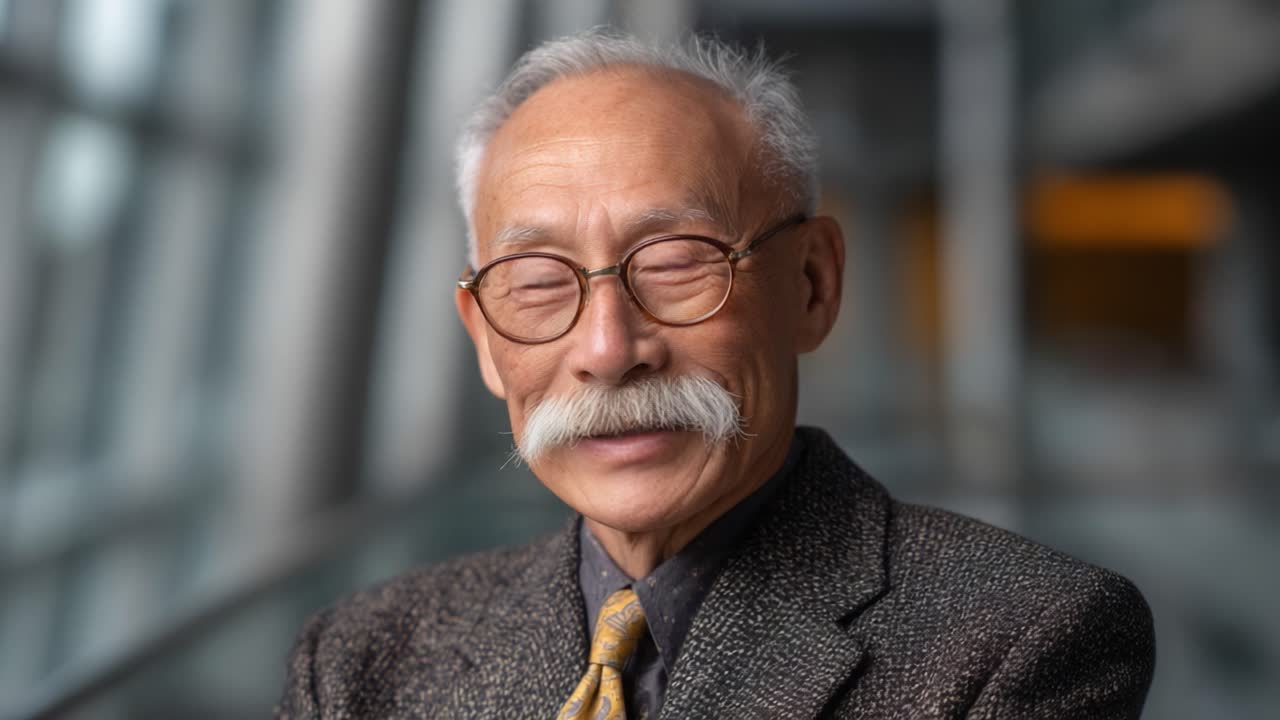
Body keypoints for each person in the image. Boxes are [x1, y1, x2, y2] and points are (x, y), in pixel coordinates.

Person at [277, 29, 1154, 719]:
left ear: (812, 285)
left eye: (674, 262)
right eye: (540, 284)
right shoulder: (359, 658)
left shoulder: (1025, 638)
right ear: (482, 341)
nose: (609, 350)